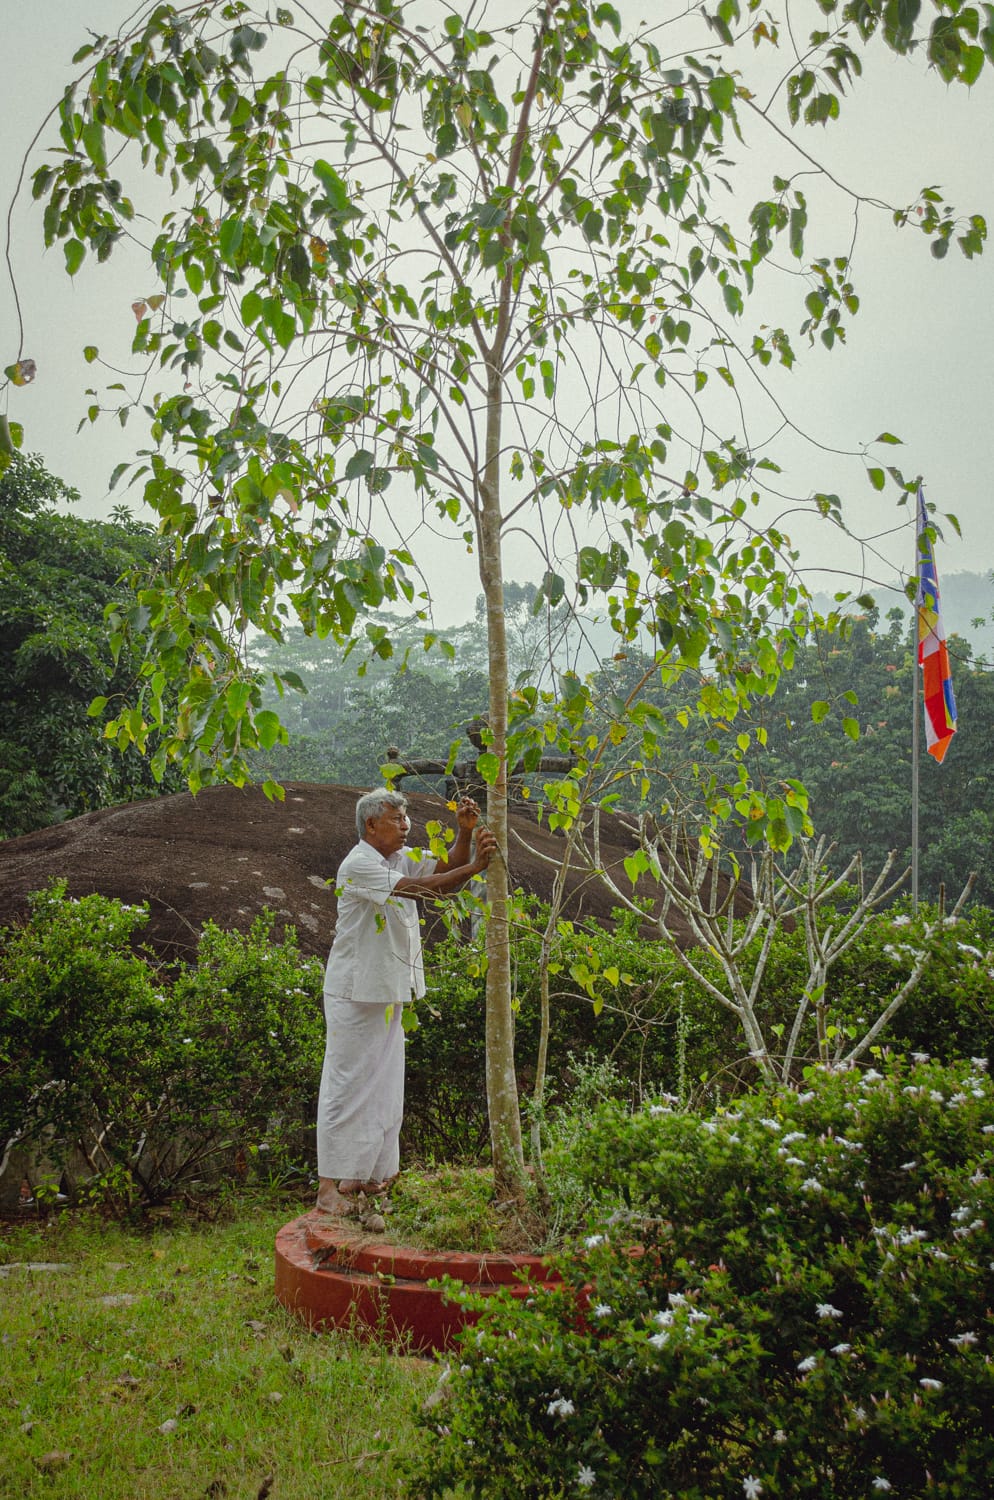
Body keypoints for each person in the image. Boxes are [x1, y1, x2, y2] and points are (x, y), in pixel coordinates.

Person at [315, 786, 496, 1223]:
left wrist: (464, 834)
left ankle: (366, 1178)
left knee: (383, 1087)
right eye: (396, 819)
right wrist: (476, 868)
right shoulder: (360, 863)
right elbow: (425, 889)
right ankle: (327, 1188)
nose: (405, 825)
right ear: (371, 824)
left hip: (387, 989)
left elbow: (445, 866)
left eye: (405, 818)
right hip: (355, 992)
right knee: (346, 1084)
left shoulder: (394, 858)